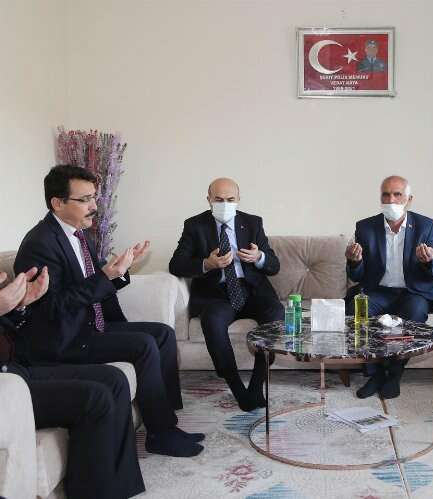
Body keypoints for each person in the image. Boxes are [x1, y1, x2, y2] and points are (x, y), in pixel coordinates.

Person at [13, 165, 203, 457]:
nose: (94, 206)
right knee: (144, 345)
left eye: (94, 198)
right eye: (85, 199)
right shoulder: (40, 244)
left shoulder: (77, 234)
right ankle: (160, 435)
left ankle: (166, 420)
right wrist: (105, 277)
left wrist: (121, 270)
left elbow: (97, 280)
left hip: (90, 325)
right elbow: (52, 306)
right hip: (65, 339)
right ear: (57, 203)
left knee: (163, 333)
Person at [0, 266, 145, 499]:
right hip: (6, 389)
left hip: (15, 368)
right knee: (94, 398)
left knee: (114, 379)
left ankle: (120, 488)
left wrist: (20, 305)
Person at [169, 177, 283, 411]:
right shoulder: (194, 225)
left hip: (252, 289)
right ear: (209, 199)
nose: (225, 204)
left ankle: (256, 385)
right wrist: (206, 264)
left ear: (238, 200)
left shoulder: (253, 223)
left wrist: (259, 258)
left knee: (276, 313)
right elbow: (176, 264)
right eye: (219, 200)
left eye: (230, 200)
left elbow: (274, 265)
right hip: (216, 293)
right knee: (212, 321)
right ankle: (237, 388)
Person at [345, 175, 433, 399]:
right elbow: (357, 276)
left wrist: (429, 261)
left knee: (415, 311)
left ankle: (394, 374)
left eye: (397, 194)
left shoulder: (426, 225)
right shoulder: (365, 227)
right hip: (378, 291)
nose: (391, 200)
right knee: (356, 310)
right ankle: (375, 373)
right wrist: (354, 261)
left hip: (413, 291)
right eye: (386, 195)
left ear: (409, 199)